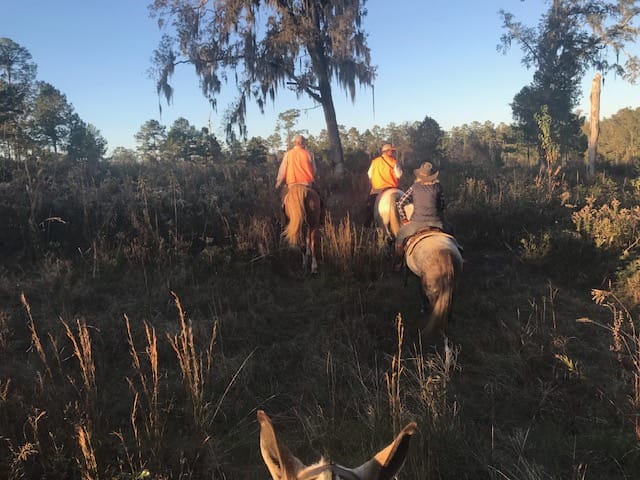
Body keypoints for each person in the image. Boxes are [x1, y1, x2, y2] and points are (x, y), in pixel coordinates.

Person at [393, 161, 447, 269]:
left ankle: (398, 263)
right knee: (451, 230)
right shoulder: (438, 187)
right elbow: (443, 205)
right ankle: (460, 253)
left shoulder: (414, 187)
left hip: (417, 223)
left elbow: (400, 203)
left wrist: (404, 219)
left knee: (400, 235)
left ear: (420, 175)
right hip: (437, 222)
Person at [275, 134, 319, 222]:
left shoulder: (288, 154)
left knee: (282, 202)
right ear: (304, 143)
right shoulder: (309, 154)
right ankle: (321, 220)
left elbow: (282, 171)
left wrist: (278, 183)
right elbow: (314, 170)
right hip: (307, 184)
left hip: (291, 185)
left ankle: (281, 222)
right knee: (320, 199)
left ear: (294, 143)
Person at [365, 143, 402, 225]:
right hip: (392, 187)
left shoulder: (375, 162)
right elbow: (399, 175)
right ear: (387, 151)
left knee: (370, 205)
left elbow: (369, 174)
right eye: (392, 151)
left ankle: (369, 224)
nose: (393, 153)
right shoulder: (394, 162)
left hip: (377, 189)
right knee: (404, 201)